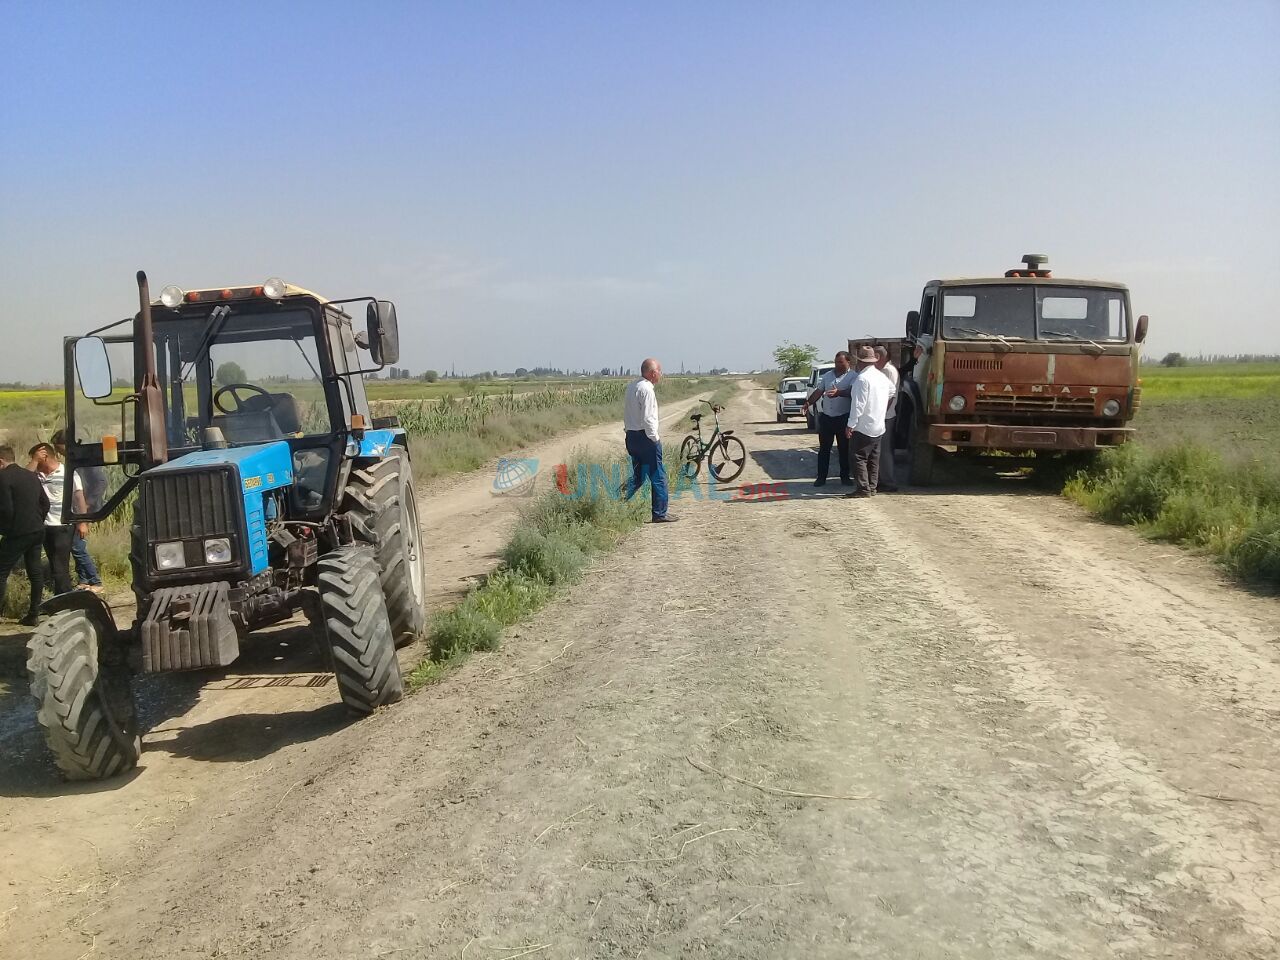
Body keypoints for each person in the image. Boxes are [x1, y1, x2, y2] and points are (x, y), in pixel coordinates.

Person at [0, 444, 50, 625]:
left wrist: (5, 530)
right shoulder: (31, 476)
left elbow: (5, 509)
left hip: (18, 532)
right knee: (35, 572)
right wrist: (37, 520)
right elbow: (46, 504)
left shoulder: (3, 477)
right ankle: (34, 614)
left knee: (1, 572)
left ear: (1, 461)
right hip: (37, 530)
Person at [51, 429, 104, 593]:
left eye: (60, 449)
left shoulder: (86, 462)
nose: (60, 454)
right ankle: (84, 579)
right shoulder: (73, 461)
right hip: (75, 509)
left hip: (83, 510)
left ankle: (95, 580)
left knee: (77, 546)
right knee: (76, 545)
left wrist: (87, 505)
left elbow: (101, 482)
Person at [623, 358, 675, 523]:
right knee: (658, 475)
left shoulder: (632, 386)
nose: (661, 374)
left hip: (631, 436)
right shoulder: (647, 390)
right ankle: (660, 513)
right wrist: (655, 439)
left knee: (638, 476)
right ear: (653, 373)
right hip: (645, 438)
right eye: (660, 371)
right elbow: (648, 419)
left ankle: (615, 500)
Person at [28, 442, 77, 597]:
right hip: (45, 525)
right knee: (54, 563)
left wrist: (82, 522)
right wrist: (35, 461)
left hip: (63, 525)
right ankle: (61, 596)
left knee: (59, 564)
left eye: (37, 458)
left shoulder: (68, 472)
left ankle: (66, 598)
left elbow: (79, 496)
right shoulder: (37, 474)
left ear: (46, 456)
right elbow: (22, 477)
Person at [801, 351, 856, 487]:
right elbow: (819, 392)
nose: (837, 365)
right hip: (827, 418)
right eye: (836, 362)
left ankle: (845, 477)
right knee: (824, 449)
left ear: (848, 362)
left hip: (843, 417)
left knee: (844, 449)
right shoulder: (827, 376)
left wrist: (840, 393)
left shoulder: (853, 377)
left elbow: (854, 392)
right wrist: (808, 403)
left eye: (841, 362)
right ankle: (821, 478)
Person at [844, 346, 892, 498]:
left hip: (863, 426)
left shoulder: (862, 379)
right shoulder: (882, 377)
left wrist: (850, 424)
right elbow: (892, 391)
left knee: (859, 457)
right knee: (873, 459)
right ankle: (872, 487)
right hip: (878, 425)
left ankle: (863, 489)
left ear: (860, 362)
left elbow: (858, 405)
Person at [874, 346, 900, 493]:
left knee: (885, 451)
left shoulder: (889, 371)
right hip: (882, 415)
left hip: (886, 416)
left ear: (879, 357)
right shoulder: (881, 371)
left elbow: (890, 395)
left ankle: (888, 481)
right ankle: (880, 480)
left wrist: (880, 412)